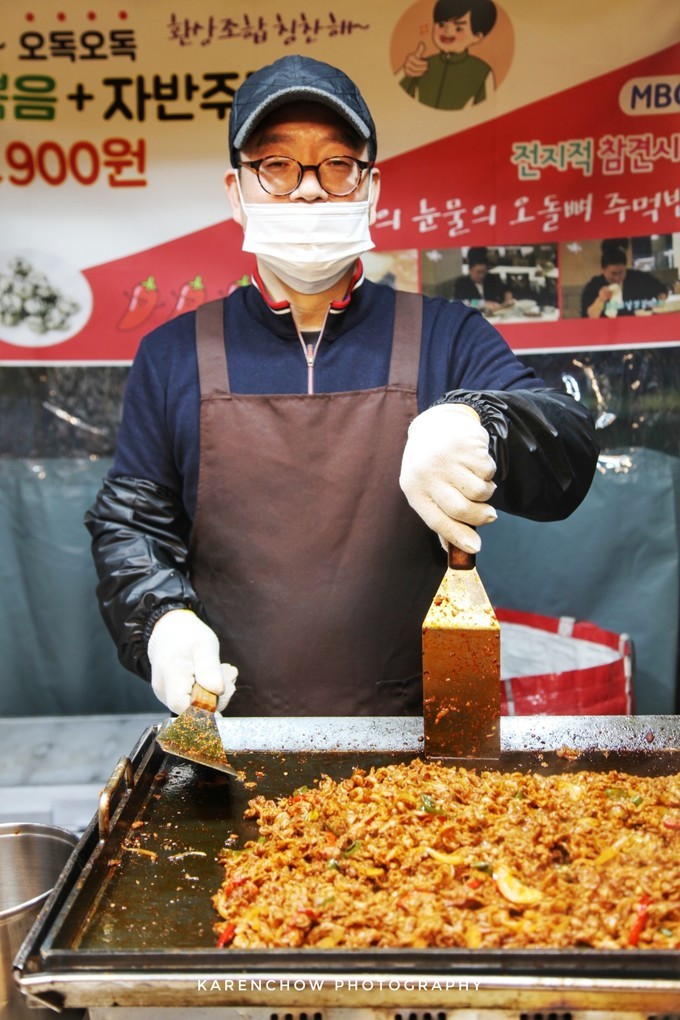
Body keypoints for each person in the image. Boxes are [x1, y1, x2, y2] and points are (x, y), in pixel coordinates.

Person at [85, 54, 599, 720]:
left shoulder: (447, 336)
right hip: (231, 732)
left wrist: (481, 421)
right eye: (276, 165)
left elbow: (568, 453)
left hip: (415, 741)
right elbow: (132, 524)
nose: (306, 190)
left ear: (371, 189)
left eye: (335, 165)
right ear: (236, 191)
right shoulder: (173, 355)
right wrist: (162, 619)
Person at [400, 0, 498, 110]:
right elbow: (395, 102)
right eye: (441, 24)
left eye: (458, 28)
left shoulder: (482, 71)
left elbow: (486, 111)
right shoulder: (421, 65)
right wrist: (407, 74)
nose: (447, 31)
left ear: (477, 36)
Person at [581, 246, 668, 318]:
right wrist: (600, 300)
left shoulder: (638, 277)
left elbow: (661, 290)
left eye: (621, 272)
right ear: (603, 270)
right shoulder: (594, 285)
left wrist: (657, 304)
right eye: (613, 273)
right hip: (606, 332)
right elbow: (589, 317)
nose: (618, 277)